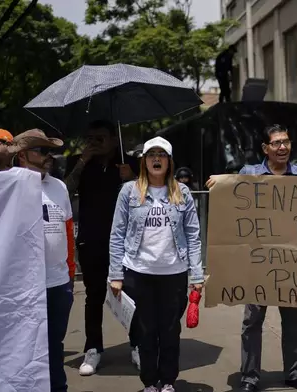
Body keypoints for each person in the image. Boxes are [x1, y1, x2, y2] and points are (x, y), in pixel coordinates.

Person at [205, 124, 297, 392]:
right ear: (265, 149)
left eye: (286, 142)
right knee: (252, 320)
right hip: (257, 260)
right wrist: (220, 184)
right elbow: (234, 203)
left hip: (291, 259)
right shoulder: (250, 174)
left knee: (292, 319)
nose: (282, 147)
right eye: (277, 143)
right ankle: (250, 377)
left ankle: (294, 373)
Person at [108, 136, 204, 392]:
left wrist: (196, 274)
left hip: (174, 274)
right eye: (152, 155)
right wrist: (116, 274)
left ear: (169, 162)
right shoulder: (129, 191)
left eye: (162, 155)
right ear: (144, 161)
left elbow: (193, 235)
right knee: (146, 331)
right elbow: (117, 234)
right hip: (138, 273)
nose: (157, 159)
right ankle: (150, 382)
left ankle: (169, 381)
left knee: (170, 331)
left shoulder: (181, 192)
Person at [64, 120, 139, 376]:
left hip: (127, 242)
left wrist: (133, 178)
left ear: (114, 139)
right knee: (94, 297)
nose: (95, 142)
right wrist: (83, 161)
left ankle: (138, 343)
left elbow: (151, 195)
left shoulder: (130, 163)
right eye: (91, 137)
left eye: (101, 137)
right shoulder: (79, 162)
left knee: (132, 294)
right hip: (92, 239)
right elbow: (66, 191)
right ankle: (93, 348)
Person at [9, 129, 75, 392]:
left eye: (50, 150)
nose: (49, 156)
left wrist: (69, 276)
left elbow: (68, 231)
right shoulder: (9, 185)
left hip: (58, 284)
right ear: (24, 155)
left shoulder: (59, 187)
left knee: (54, 347)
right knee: (24, 348)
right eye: (42, 150)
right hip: (23, 286)